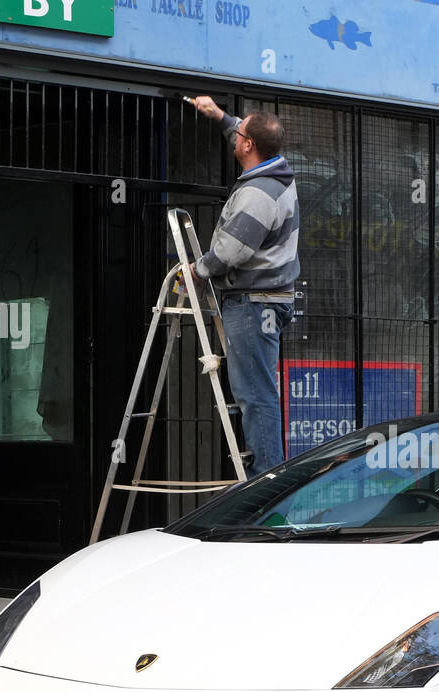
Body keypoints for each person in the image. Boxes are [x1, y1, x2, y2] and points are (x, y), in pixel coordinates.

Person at [189, 95, 300, 474]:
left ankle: (266, 484)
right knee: (259, 392)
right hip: (265, 299)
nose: (234, 134)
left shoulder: (257, 195)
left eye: (239, 133)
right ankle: (266, 472)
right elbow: (245, 132)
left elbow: (230, 251)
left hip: (253, 303)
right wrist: (219, 116)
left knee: (255, 395)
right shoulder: (274, 173)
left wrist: (199, 270)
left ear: (249, 145)